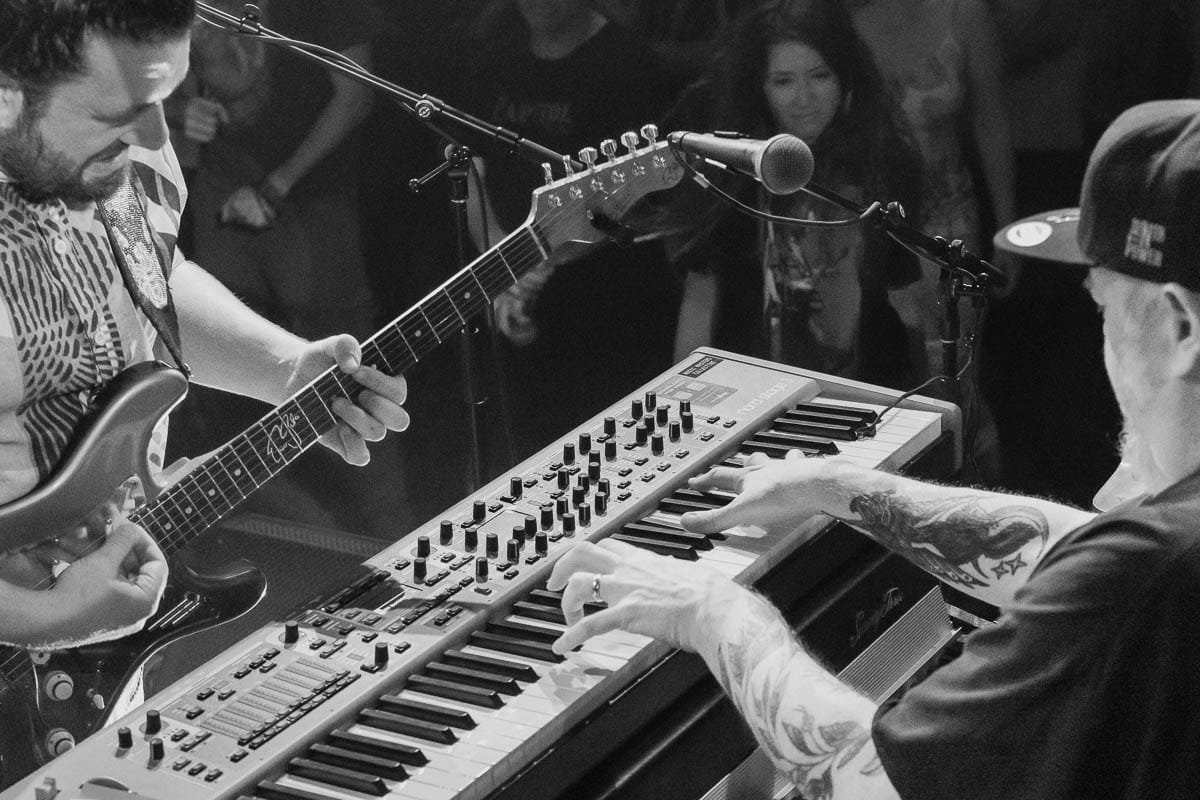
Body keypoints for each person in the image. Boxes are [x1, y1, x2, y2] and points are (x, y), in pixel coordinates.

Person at [548, 99, 1200, 797]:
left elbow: (863, 782)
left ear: (1179, 324)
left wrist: (717, 614)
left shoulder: (1157, 568)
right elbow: (1084, 555)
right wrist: (843, 486)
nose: (1101, 346)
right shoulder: (1160, 553)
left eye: (1103, 309)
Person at [0, 0, 408, 650]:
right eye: (120, 107)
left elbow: (148, 270)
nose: (155, 136)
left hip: (100, 655)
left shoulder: (119, 150)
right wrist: (39, 619)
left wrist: (283, 367)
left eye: (165, 92)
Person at [461, 0, 685, 460]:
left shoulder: (632, 66)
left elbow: (648, 196)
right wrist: (504, 267)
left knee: (610, 458)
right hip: (514, 289)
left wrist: (535, 263)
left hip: (608, 312)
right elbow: (471, 167)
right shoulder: (493, 56)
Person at [669, 0, 924, 388]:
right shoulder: (730, 169)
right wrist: (681, 404)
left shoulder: (887, 161)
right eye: (783, 81)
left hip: (868, 393)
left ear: (845, 78)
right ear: (760, 89)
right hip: (750, 397)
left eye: (819, 75)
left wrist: (929, 402)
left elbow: (904, 296)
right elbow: (701, 297)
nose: (804, 99)